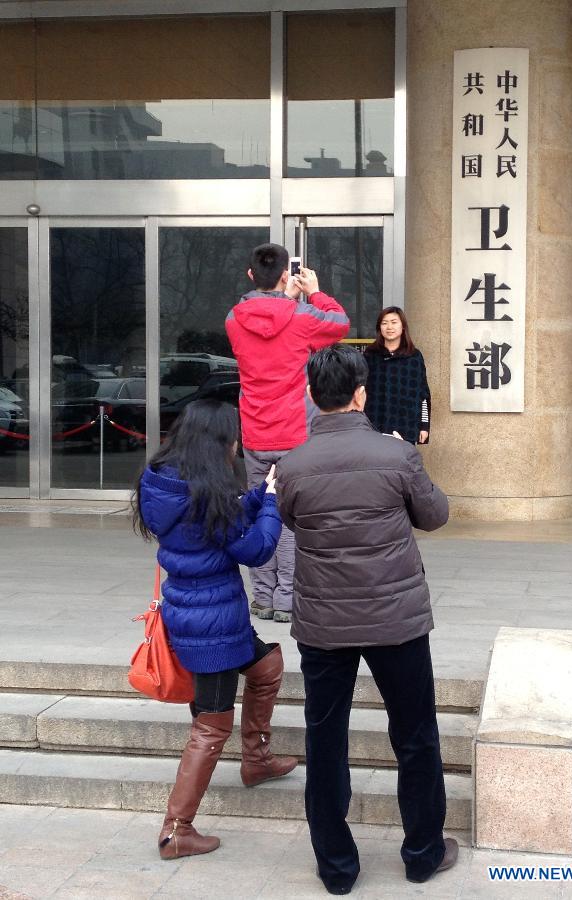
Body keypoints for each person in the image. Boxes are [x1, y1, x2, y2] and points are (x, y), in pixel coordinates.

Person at [276, 345, 456, 895]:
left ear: (311, 396)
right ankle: (423, 853)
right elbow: (436, 514)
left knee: (325, 741)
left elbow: (289, 517)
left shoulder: (293, 465)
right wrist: (411, 463)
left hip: (325, 625)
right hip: (395, 620)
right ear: (362, 394)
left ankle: (337, 868)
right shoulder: (396, 456)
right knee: (416, 736)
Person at [133, 398, 298, 861]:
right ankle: (176, 829)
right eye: (232, 438)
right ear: (218, 441)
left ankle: (257, 759)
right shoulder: (207, 493)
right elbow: (258, 549)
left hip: (191, 611)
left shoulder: (164, 481)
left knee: (267, 664)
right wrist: (268, 502)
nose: (237, 446)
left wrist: (251, 496)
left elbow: (214, 525)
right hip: (214, 625)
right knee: (211, 721)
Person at [225, 243, 350, 623]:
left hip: (255, 433)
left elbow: (267, 321)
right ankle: (287, 601)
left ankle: (261, 597)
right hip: (295, 432)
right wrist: (313, 292)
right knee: (293, 519)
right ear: (286, 274)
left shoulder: (233, 318)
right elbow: (339, 323)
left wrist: (285, 298)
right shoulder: (302, 315)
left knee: (257, 511)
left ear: (250, 274)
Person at [364, 306, 431, 444]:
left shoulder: (414, 357)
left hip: (406, 424)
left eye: (394, 322)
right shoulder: (370, 355)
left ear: (403, 326)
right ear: (379, 328)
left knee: (404, 463)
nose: (389, 327)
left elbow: (423, 394)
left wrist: (424, 426)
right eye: (384, 323)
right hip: (374, 422)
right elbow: (359, 390)